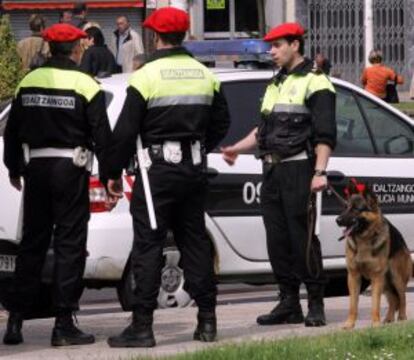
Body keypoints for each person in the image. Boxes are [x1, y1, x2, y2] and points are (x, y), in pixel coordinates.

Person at [105, 7, 230, 348]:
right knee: (194, 242)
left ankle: (142, 327)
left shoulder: (146, 76)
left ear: (156, 37)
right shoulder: (205, 74)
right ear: (185, 35)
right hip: (193, 169)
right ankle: (207, 321)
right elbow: (222, 122)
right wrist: (198, 147)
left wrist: (111, 173)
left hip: (155, 173)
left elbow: (125, 129)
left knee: (149, 245)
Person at [2, 23, 113, 347]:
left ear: (49, 47)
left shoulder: (28, 81)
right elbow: (101, 135)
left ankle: (16, 322)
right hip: (70, 170)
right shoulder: (85, 83)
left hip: (36, 169)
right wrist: (109, 176)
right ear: (77, 48)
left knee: (32, 245)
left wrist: (14, 168)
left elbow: (12, 132)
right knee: (69, 245)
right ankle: (63, 323)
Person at [221, 22, 336, 328]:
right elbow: (264, 130)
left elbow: (325, 134)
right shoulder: (276, 82)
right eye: (270, 46)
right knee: (277, 239)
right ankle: (288, 302)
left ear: (295, 45)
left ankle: (315, 303)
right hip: (271, 170)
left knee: (303, 238)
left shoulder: (317, 82)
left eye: (277, 45)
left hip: (299, 168)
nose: (271, 51)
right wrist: (237, 148)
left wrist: (320, 172)